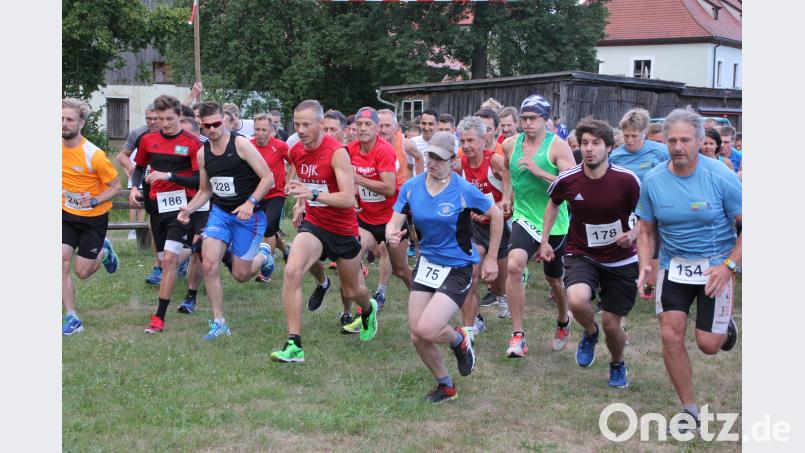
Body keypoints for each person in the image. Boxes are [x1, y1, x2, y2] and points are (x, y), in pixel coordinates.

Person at [635, 109, 740, 430]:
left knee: (708, 345)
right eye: (671, 140)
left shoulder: (721, 176)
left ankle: (724, 330)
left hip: (715, 268)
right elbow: (645, 229)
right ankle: (690, 411)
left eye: (684, 140)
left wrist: (729, 265)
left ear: (699, 141)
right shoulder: (653, 180)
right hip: (674, 268)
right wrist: (645, 267)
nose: (678, 146)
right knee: (670, 335)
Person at [386, 131, 503, 402]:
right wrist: (391, 233)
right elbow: (394, 219)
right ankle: (446, 386)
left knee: (428, 328)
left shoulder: (463, 190)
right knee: (417, 335)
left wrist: (493, 257)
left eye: (440, 159)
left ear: (453, 160)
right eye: (430, 157)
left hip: (457, 267)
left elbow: (495, 215)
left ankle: (460, 341)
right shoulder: (412, 187)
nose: (433, 163)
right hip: (427, 263)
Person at [269, 100, 379, 363]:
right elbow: (301, 182)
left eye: (307, 124)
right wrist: (299, 202)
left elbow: (346, 199)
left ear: (320, 125)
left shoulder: (337, 152)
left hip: (342, 228)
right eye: (297, 124)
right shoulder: (296, 151)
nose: (301, 129)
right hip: (315, 224)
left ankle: (368, 309)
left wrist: (314, 193)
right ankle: (294, 345)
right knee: (292, 271)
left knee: (353, 291)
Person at [538, 119, 641, 387]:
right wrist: (545, 240)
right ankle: (590, 332)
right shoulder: (568, 179)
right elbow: (553, 204)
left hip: (621, 259)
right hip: (582, 252)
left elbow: (647, 218)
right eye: (584, 143)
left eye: (596, 143)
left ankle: (617, 363)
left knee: (612, 324)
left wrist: (632, 234)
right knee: (576, 299)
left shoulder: (627, 180)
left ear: (609, 147)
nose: (589, 149)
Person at [177, 102, 276, 340]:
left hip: (248, 215)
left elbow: (268, 178)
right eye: (206, 126)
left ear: (225, 121)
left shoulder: (240, 144)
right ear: (201, 125)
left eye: (216, 124)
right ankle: (219, 322)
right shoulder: (203, 153)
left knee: (241, 275)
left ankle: (264, 255)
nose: (212, 129)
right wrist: (188, 210)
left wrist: (251, 202)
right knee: (209, 264)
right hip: (220, 213)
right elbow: (205, 189)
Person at [502, 94, 576, 357]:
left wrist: (540, 172)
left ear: (545, 120)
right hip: (523, 216)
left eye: (533, 118)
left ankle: (563, 320)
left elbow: (571, 186)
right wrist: (506, 196)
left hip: (553, 220)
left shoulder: (558, 146)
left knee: (554, 279)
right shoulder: (510, 144)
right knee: (513, 265)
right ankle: (518, 336)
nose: (527, 123)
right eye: (524, 118)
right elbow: (507, 171)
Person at [129, 95, 202, 334]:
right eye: (160, 119)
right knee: (163, 258)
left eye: (169, 118)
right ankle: (194, 248)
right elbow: (139, 167)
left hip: (182, 208)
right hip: (156, 207)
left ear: (180, 116)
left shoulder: (192, 143)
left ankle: (159, 317)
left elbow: (199, 179)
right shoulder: (148, 140)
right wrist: (135, 187)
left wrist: (168, 176)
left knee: (169, 260)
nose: (165, 123)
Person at [340, 107, 412, 333]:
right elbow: (343, 177)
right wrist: (352, 193)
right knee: (349, 259)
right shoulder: (350, 149)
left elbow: (390, 189)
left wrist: (358, 178)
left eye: (367, 124)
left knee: (401, 270)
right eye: (359, 124)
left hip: (393, 219)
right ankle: (360, 314)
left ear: (377, 129)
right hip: (367, 220)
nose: (362, 128)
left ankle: (425, 300)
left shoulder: (384, 150)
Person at [62, 98, 122, 335]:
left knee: (83, 272)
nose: (63, 124)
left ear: (81, 123)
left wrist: (95, 199)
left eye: (69, 120)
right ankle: (72, 317)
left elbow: (116, 186)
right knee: (60, 262)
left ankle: (104, 252)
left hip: (93, 219)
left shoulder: (94, 155)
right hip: (65, 214)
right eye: (60, 119)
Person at [455, 116, 512, 336]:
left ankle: (502, 295)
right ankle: (473, 323)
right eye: (462, 141)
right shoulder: (461, 164)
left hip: (499, 227)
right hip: (476, 228)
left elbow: (511, 186)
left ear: (482, 140)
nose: (466, 146)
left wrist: (500, 204)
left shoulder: (494, 160)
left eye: (471, 140)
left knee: (497, 284)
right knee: (470, 274)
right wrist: (470, 210)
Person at [609, 108, 668, 299]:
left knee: (652, 246)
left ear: (644, 133)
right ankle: (622, 281)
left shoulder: (660, 152)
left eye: (634, 135)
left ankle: (652, 286)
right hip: (624, 208)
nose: (629, 140)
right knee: (624, 245)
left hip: (652, 208)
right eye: (626, 135)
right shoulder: (616, 156)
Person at [372, 109, 422, 310]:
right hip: (379, 203)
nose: (383, 130)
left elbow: (419, 159)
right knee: (383, 251)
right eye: (380, 126)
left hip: (401, 204)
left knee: (398, 265)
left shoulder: (405, 143)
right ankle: (381, 291)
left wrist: (415, 182)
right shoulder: (372, 145)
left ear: (396, 127)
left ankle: (417, 293)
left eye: (387, 126)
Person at [116, 105, 163, 283]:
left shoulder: (175, 132)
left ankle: (180, 261)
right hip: (151, 187)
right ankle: (158, 268)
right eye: (148, 118)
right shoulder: (139, 134)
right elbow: (122, 156)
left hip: (176, 186)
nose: (152, 122)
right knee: (156, 226)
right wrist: (131, 168)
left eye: (156, 118)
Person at [176, 115, 213, 314]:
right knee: (174, 251)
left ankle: (190, 297)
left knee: (199, 251)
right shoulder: (172, 147)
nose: (183, 137)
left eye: (187, 133)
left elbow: (204, 185)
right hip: (177, 203)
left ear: (197, 134)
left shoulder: (207, 150)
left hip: (202, 204)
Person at [251, 113, 291, 272]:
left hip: (276, 193)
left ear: (272, 130)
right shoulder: (248, 145)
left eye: (264, 130)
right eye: (257, 129)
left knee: (268, 227)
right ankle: (285, 249)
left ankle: (267, 267)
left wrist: (289, 180)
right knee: (268, 230)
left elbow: (294, 162)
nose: (260, 133)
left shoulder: (280, 146)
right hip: (257, 194)